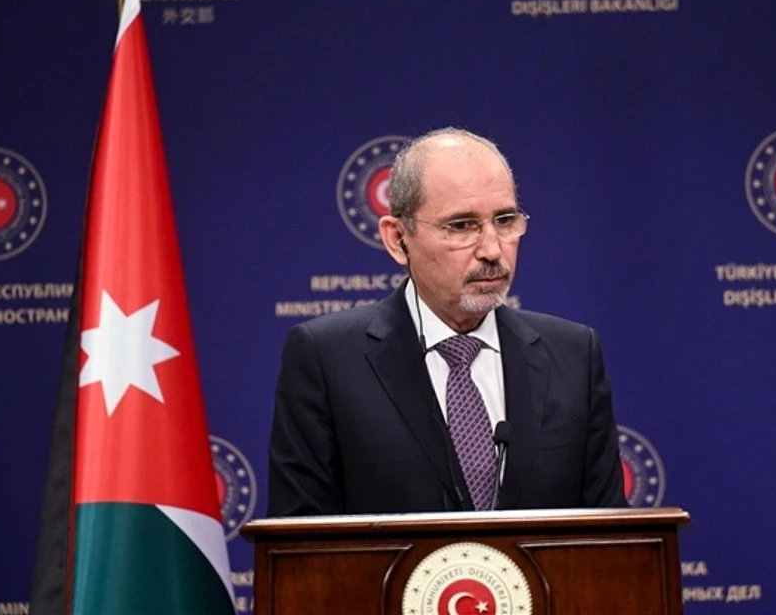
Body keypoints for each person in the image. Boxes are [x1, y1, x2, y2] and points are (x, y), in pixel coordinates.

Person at [266, 127, 628, 515]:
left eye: (505, 220)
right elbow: (300, 541)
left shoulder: (574, 355)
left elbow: (610, 533)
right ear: (397, 239)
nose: (492, 249)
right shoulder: (327, 359)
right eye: (461, 226)